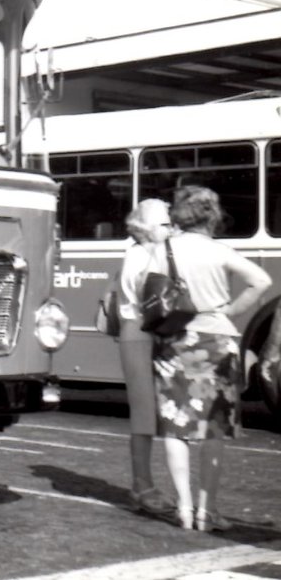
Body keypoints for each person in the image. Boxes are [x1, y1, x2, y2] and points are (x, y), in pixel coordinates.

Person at [150, 186, 272, 531]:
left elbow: (153, 299)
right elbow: (261, 281)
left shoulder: (163, 250)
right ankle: (208, 510)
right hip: (217, 341)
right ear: (211, 216)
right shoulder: (220, 251)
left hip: (175, 341)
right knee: (212, 431)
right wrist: (230, 311)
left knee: (176, 430)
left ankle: (184, 509)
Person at [115, 198, 175, 519]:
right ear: (147, 228)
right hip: (141, 334)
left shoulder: (145, 253)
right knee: (143, 414)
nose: (171, 228)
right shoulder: (143, 257)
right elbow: (152, 303)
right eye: (165, 223)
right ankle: (142, 486)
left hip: (142, 333)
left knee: (151, 413)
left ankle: (147, 484)